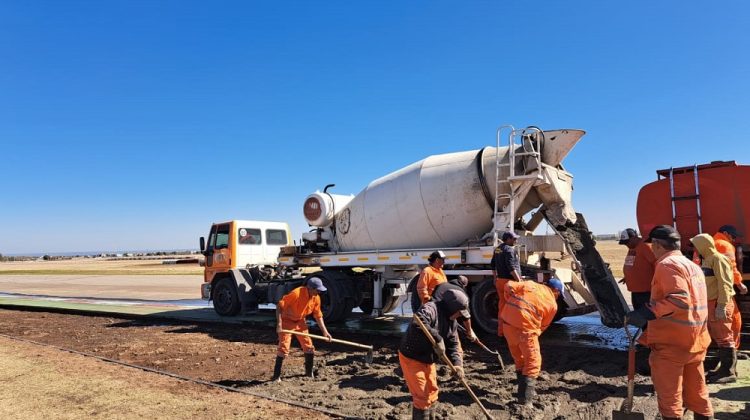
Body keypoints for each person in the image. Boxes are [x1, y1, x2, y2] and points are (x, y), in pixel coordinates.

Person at [627, 225, 713, 420]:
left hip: (673, 343)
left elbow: (679, 299)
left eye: (652, 245)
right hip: (696, 340)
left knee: (670, 398)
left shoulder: (667, 265)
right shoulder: (691, 265)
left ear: (657, 244)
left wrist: (647, 312)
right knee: (697, 393)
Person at [399, 288, 470, 419]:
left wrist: (457, 364)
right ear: (451, 307)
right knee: (422, 397)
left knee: (432, 392)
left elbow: (454, 344)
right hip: (413, 357)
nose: (460, 316)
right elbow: (418, 322)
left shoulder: (452, 322)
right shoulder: (431, 309)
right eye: (459, 312)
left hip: (428, 359)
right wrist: (438, 338)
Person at [500, 276, 562, 404]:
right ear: (556, 290)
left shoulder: (529, 284)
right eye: (559, 294)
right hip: (525, 330)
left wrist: (510, 301)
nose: (558, 296)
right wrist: (532, 334)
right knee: (533, 362)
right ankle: (525, 401)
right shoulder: (552, 304)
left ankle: (522, 390)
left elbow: (508, 286)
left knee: (520, 359)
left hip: (507, 324)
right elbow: (543, 326)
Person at [691, 233, 737, 383]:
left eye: (696, 245)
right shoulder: (707, 260)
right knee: (719, 337)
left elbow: (725, 284)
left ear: (704, 245)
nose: (694, 249)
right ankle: (724, 369)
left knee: (724, 338)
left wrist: (721, 306)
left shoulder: (718, 259)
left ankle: (729, 373)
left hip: (718, 302)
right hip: (711, 303)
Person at [271, 277, 332, 381]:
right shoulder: (296, 293)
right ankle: (276, 377)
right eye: (317, 290)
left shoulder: (316, 298)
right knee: (284, 347)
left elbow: (318, 315)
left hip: (300, 322)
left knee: (309, 346)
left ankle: (309, 374)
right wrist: (279, 324)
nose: (319, 292)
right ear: (310, 288)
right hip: (287, 321)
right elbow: (280, 306)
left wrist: (325, 332)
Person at [713, 225, 747, 352]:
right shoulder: (725, 245)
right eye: (733, 236)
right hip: (723, 290)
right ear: (726, 233)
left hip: (709, 290)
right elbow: (731, 267)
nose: (734, 239)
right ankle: (732, 352)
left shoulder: (707, 244)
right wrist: (740, 284)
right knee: (734, 321)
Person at [491, 231, 522, 337]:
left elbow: (492, 264)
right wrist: (519, 281)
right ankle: (511, 333)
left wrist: (495, 278)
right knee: (512, 308)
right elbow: (511, 267)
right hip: (509, 283)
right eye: (514, 239)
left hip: (500, 281)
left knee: (502, 306)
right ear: (507, 239)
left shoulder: (498, 249)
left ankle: (502, 332)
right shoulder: (509, 250)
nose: (515, 241)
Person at [617, 228, 656, 311]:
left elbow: (656, 264)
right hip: (635, 290)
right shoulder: (632, 247)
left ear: (634, 237)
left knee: (646, 316)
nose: (626, 245)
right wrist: (627, 276)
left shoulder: (645, 246)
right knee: (639, 315)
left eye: (627, 242)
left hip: (646, 291)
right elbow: (633, 264)